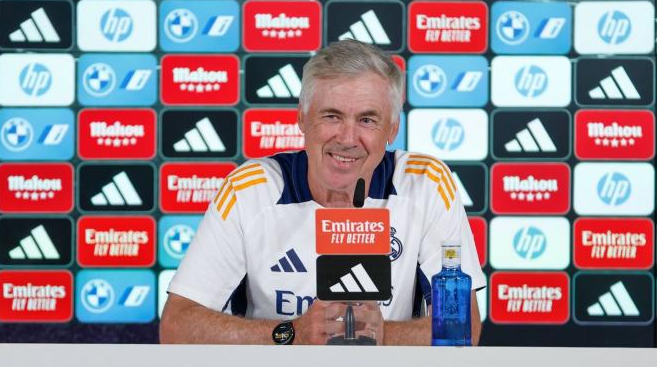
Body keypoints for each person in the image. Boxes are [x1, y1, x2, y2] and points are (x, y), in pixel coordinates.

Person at [160, 39, 485, 345]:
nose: (347, 137)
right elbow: (177, 326)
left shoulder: (425, 183)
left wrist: (379, 333)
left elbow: (464, 328)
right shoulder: (251, 189)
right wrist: (291, 334)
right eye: (332, 116)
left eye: (368, 120)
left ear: (393, 128)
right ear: (302, 116)